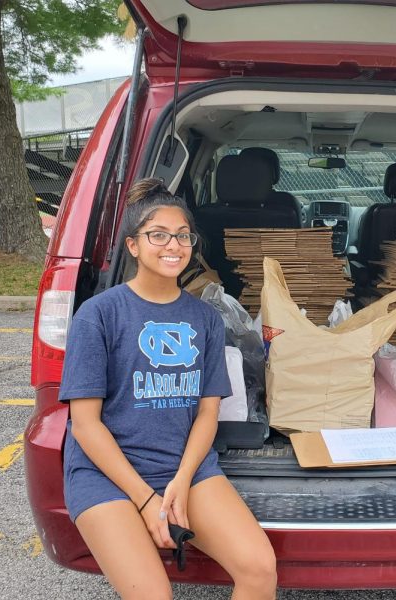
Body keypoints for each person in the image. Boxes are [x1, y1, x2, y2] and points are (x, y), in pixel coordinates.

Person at [58, 178, 277, 599]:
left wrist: (180, 481)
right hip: (105, 474)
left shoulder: (206, 319)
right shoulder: (98, 315)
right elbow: (85, 426)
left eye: (182, 236)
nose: (172, 245)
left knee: (259, 567)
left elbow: (207, 413)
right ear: (133, 245)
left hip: (183, 469)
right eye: (157, 235)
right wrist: (145, 499)